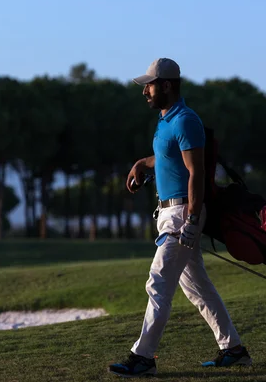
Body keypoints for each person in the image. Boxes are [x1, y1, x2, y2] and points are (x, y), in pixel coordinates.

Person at [108, 58, 252, 378]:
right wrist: (141, 164)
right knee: (197, 288)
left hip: (182, 213)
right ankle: (233, 349)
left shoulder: (186, 120)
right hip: (170, 212)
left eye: (150, 84)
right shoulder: (166, 120)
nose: (145, 90)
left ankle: (143, 356)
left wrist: (191, 218)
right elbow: (165, 157)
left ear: (168, 85)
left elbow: (196, 171)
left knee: (157, 282)